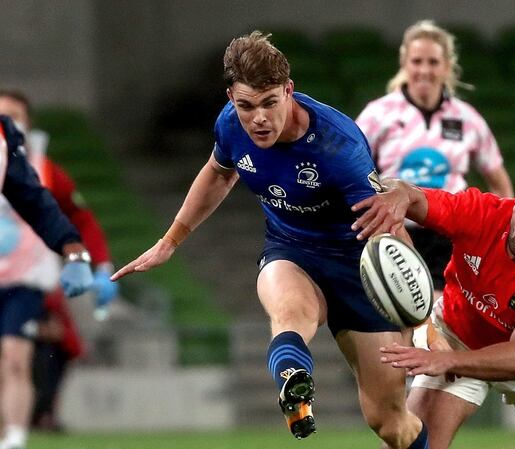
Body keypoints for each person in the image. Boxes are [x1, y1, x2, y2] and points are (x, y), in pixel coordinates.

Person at [110, 31, 429, 449]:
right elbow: (220, 172)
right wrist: (171, 240)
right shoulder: (230, 123)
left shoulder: (339, 145)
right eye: (245, 106)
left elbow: (386, 225)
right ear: (230, 98)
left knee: (390, 424)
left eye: (268, 103)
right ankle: (294, 386)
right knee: (289, 312)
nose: (257, 118)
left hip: (359, 266)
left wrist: (421, 317)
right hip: (291, 250)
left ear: (288, 91)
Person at [352, 166, 515, 449]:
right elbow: (410, 195)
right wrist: (397, 192)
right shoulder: (482, 213)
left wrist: (448, 361)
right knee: (413, 445)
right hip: (456, 336)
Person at [356, 20, 514, 298]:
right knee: (402, 318)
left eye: (433, 61)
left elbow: (499, 182)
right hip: (396, 232)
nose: (425, 70)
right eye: (417, 61)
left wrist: (499, 237)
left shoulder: (466, 118)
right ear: (404, 62)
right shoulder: (378, 114)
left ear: (446, 66)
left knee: (442, 321)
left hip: (451, 234)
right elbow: (351, 170)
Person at [0, 90, 118, 432]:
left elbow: (62, 215)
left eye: (13, 115)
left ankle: (20, 433)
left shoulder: (42, 169)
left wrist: (91, 262)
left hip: (27, 279)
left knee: (20, 356)